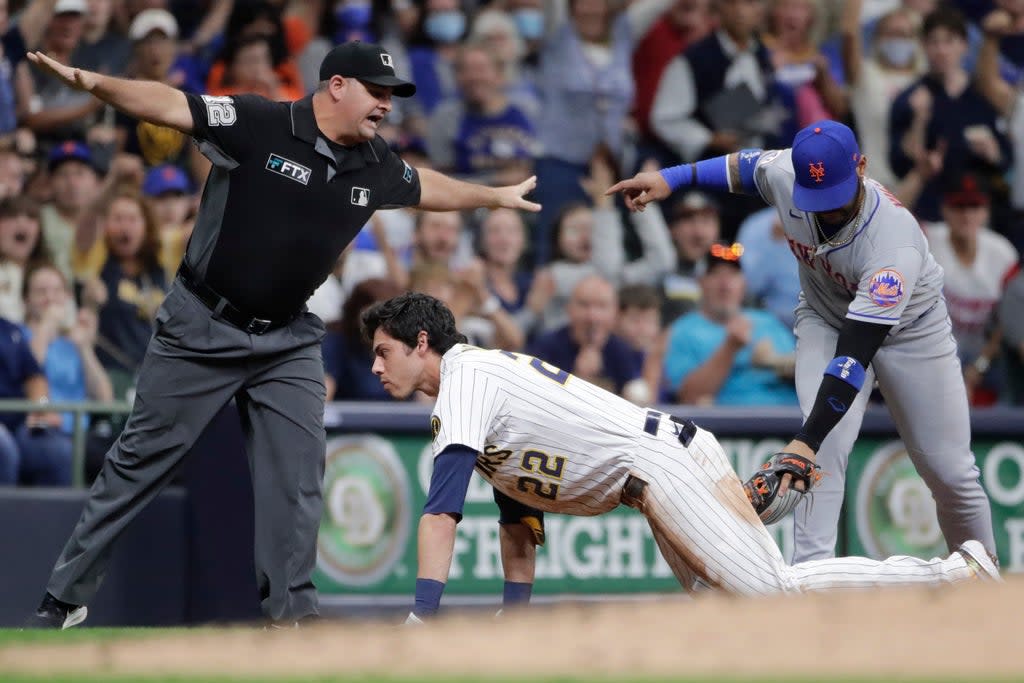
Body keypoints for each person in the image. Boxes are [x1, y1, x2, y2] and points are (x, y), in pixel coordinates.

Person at [23, 39, 540, 629]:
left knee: (298, 477)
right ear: (336, 85)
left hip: (287, 339)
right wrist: (92, 83)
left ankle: (292, 618)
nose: (386, 106)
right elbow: (170, 104)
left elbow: (423, 187)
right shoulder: (260, 122)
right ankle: (61, 599)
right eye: (376, 91)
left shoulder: (375, 163)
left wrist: (493, 196)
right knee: (137, 463)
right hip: (201, 324)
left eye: (392, 96)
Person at [360, 292, 1000, 621]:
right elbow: (517, 520)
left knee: (768, 590)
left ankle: (957, 572)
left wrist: (421, 614)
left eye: (384, 350)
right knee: (726, 606)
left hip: (660, 463)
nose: (375, 364)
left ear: (423, 343)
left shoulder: (466, 379)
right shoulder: (478, 388)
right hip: (659, 469)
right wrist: (514, 616)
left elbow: (441, 513)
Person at [605, 119, 998, 565]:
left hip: (912, 333)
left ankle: (981, 573)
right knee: (821, 458)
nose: (824, 209)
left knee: (950, 473)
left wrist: (804, 440)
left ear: (862, 167)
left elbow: (855, 354)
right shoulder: (788, 172)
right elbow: (741, 167)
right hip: (826, 315)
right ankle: (810, 581)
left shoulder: (894, 244)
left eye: (834, 194)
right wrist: (669, 178)